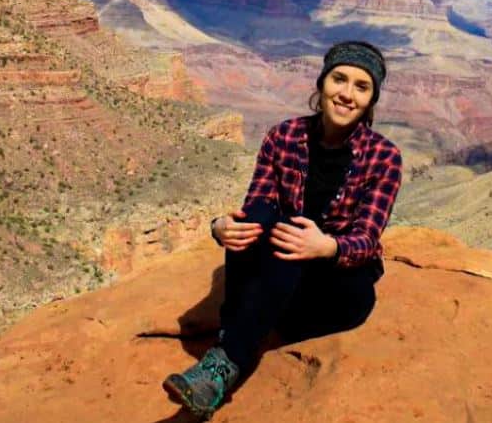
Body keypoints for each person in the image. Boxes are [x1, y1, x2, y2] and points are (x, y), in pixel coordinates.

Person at [163, 40, 403, 419]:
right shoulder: (284, 136)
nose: (346, 94)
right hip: (281, 275)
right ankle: (225, 363)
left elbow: (366, 241)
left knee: (288, 238)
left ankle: (225, 359)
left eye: (362, 87)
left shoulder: (384, 157)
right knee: (257, 218)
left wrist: (325, 247)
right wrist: (220, 227)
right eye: (339, 79)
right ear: (322, 83)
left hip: (336, 289)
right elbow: (256, 209)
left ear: (371, 100)